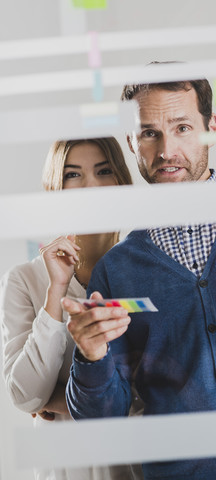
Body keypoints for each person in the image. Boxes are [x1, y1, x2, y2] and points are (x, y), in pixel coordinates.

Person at [63, 73, 216, 480]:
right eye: (149, 133)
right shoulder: (117, 270)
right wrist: (90, 357)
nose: (167, 150)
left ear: (211, 129)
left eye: (182, 128)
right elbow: (101, 420)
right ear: (132, 143)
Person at [0, 138, 143, 480]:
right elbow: (24, 394)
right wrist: (57, 290)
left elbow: (165, 392)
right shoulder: (25, 280)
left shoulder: (148, 272)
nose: (90, 186)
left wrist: (57, 401)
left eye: (103, 171)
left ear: (122, 182)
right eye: (73, 175)